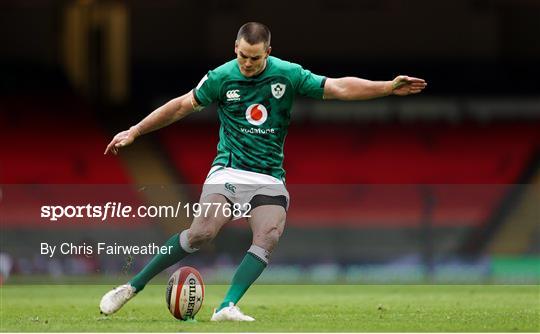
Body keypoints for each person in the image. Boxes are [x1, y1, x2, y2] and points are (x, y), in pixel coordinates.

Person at [100, 22, 427, 321]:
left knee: (269, 234)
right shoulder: (221, 77)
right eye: (243, 56)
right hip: (228, 171)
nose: (247, 64)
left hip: (269, 177)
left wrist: (386, 87)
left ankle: (226, 306)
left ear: (268, 53)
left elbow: (338, 87)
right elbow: (182, 106)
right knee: (201, 233)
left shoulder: (288, 74)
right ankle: (130, 287)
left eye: (255, 59)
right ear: (235, 49)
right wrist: (136, 131)